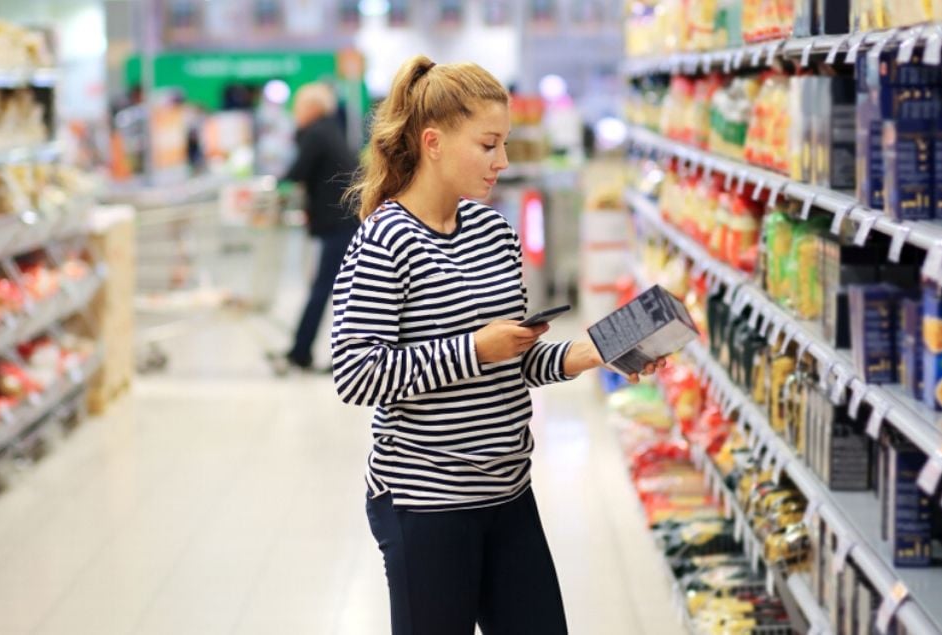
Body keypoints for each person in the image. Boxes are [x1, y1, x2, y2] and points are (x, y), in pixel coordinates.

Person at [331, 55, 664, 635]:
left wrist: (592, 351)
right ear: (433, 143)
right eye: (488, 145)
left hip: (508, 491)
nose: (503, 161)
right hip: (426, 502)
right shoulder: (384, 240)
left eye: (504, 143)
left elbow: (511, 355)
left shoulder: (493, 231)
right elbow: (356, 374)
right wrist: (474, 350)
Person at [270, 82, 360, 374]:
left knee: (326, 289)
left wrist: (272, 186)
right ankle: (304, 350)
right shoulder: (330, 130)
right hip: (346, 219)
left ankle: (303, 351)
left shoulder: (317, 133)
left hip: (340, 223)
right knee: (337, 289)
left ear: (311, 108)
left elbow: (298, 171)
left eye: (298, 106)